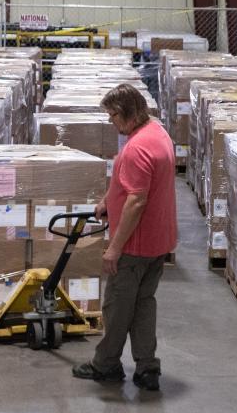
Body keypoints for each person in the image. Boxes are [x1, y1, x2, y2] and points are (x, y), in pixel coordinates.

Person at [71, 84, 177, 391]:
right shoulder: (157, 132)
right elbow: (130, 185)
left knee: (117, 307)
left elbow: (136, 201)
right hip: (159, 240)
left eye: (113, 115)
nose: (111, 121)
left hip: (134, 245)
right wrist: (108, 199)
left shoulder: (136, 149)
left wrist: (114, 248)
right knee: (144, 304)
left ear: (128, 113)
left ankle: (106, 365)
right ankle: (147, 368)